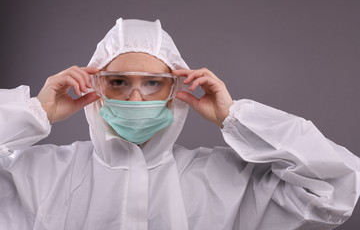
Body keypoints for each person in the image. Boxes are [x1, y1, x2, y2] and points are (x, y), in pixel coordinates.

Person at [0, 18, 359, 230]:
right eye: (119, 82)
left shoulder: (224, 179)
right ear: (95, 87)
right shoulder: (40, 174)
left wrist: (235, 118)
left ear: (175, 91)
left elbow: (337, 186)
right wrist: (36, 111)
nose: (136, 99)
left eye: (153, 83)